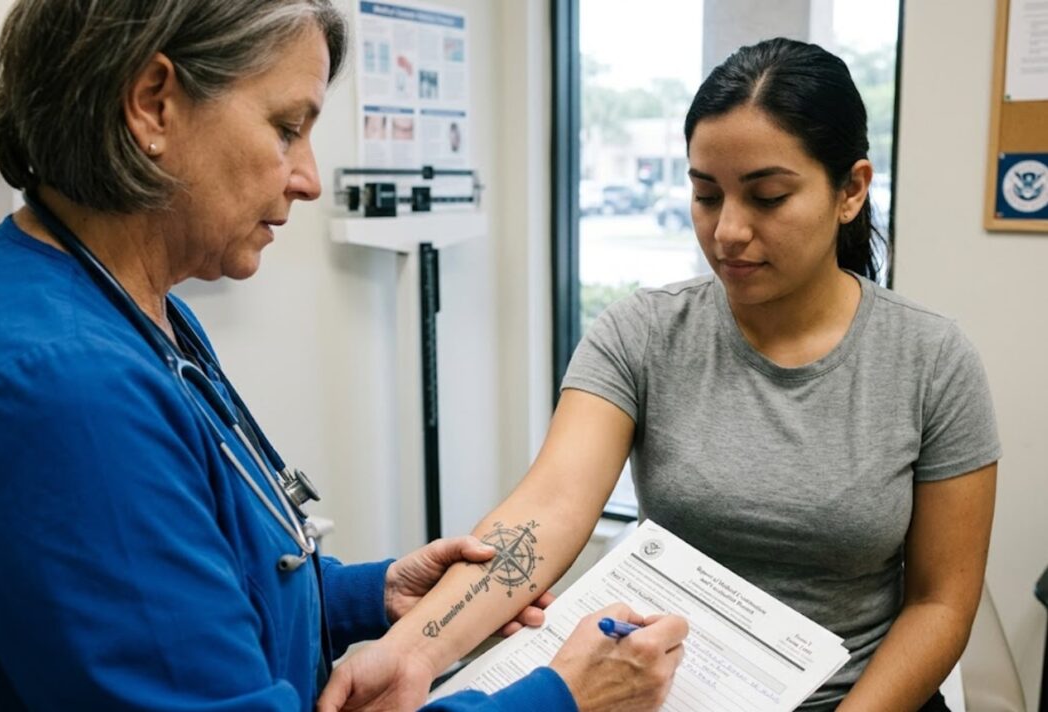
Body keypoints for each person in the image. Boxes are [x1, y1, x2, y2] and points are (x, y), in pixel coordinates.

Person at [0, 1, 686, 710]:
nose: (310, 179)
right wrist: (564, 699)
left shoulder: (135, 312)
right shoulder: (67, 387)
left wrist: (360, 593)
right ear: (153, 105)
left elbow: (185, 579)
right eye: (287, 129)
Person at [321, 38, 999, 712]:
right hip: (665, 693)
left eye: (767, 197)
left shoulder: (931, 360)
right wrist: (413, 649)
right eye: (706, 196)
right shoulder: (642, 333)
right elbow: (548, 510)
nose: (728, 231)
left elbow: (940, 602)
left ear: (850, 189)